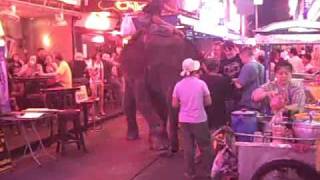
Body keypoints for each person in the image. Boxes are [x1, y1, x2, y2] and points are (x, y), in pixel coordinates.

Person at [172, 58, 213, 179]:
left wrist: (184, 104)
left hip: (184, 120)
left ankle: (190, 173)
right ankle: (208, 171)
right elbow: (209, 102)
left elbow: (174, 104)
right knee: (205, 146)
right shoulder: (201, 84)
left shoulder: (178, 85)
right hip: (199, 119)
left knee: (188, 147)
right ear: (196, 70)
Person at [201, 59, 232, 130]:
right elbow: (229, 98)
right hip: (220, 112)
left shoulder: (201, 80)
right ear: (217, 67)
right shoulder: (225, 80)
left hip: (204, 112)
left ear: (205, 68)